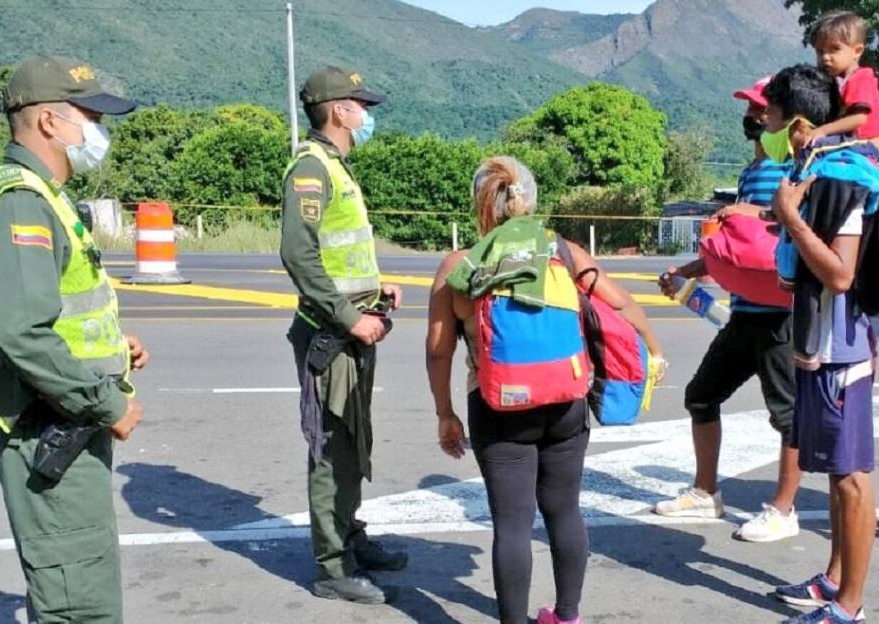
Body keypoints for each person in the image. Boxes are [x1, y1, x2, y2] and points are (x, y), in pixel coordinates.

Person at [426, 156, 664, 624]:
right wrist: (654, 351)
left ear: (481, 204)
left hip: (498, 405)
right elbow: (623, 306)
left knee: (512, 525)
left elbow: (438, 351)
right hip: (565, 401)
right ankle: (567, 616)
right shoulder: (566, 253)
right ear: (531, 201)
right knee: (564, 511)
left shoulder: (460, 265)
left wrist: (445, 414)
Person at [0, 55, 147, 623]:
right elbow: (20, 331)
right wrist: (106, 402)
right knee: (81, 602)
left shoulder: (45, 195)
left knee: (80, 581)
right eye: (90, 117)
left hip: (65, 412)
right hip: (48, 424)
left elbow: (53, 311)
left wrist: (113, 350)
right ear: (49, 121)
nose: (98, 132)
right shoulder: (22, 202)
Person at [653, 76, 804, 543]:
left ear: (785, 118)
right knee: (701, 395)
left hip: (780, 315)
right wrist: (688, 271)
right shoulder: (750, 172)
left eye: (763, 108)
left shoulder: (794, 169)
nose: (754, 116)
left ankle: (783, 509)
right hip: (744, 314)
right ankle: (706, 492)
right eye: (751, 108)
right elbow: (742, 247)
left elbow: (788, 227)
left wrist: (747, 214)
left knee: (788, 416)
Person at [280, 65, 406, 605]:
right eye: (361, 105)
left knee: (352, 441)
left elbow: (339, 251)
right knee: (331, 447)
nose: (366, 114)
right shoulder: (311, 168)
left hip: (353, 328)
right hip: (331, 335)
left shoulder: (334, 165)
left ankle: (349, 536)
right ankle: (332, 566)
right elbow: (299, 253)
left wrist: (376, 288)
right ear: (338, 110)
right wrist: (348, 316)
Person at [762, 65, 878, 624]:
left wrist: (791, 218)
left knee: (851, 480)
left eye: (771, 116)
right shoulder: (811, 173)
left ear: (800, 123)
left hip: (841, 353)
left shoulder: (839, 180)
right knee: (835, 476)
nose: (764, 126)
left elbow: (841, 275)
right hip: (820, 348)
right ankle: (834, 580)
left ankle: (850, 606)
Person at [801, 11, 879, 152]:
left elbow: (859, 118)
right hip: (854, 141)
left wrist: (823, 131)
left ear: (857, 51)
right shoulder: (838, 80)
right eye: (820, 51)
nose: (825, 57)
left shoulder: (861, 78)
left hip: (866, 143)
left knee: (812, 146)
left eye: (835, 49)